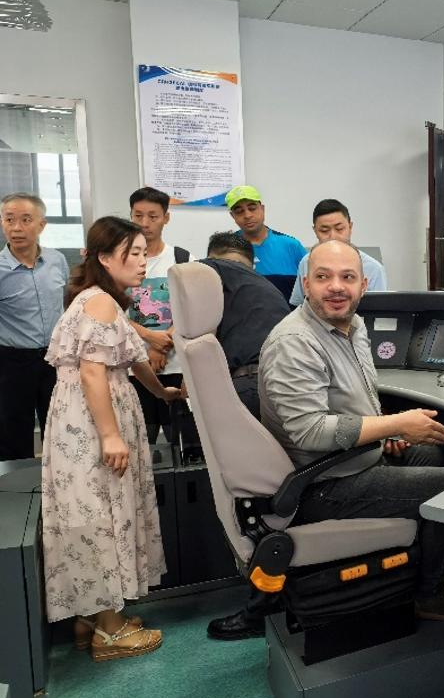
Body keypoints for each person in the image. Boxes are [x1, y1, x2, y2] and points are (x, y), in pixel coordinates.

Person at [208, 241, 444, 640]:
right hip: (320, 484)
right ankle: (431, 593)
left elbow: (357, 400)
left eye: (347, 277)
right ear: (306, 284)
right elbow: (310, 431)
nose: (336, 286)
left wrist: (384, 434)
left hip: (348, 459)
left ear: (363, 285)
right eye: (323, 277)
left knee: (430, 451)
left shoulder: (351, 327)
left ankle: (411, 568)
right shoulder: (294, 343)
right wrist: (393, 425)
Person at [41, 216, 182, 661]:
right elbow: (92, 371)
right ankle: (110, 632)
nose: (143, 261)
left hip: (87, 416)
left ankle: (93, 616)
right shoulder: (100, 302)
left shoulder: (102, 300)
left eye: (143, 252)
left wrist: (162, 392)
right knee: (102, 513)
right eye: (133, 253)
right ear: (104, 258)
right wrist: (110, 436)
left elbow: (134, 360)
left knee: (95, 511)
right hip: (92, 421)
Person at [0, 193, 68, 460]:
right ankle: (16, 484)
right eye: (9, 220)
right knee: (13, 432)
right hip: (12, 362)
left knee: (60, 427)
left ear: (42, 224)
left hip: (55, 358)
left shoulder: (56, 260)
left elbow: (66, 304)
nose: (16, 228)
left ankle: (59, 482)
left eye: (26, 220)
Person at [127, 187, 194, 444]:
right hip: (134, 369)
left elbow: (192, 309)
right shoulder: (121, 261)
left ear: (166, 218)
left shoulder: (183, 259)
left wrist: (161, 344)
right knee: (141, 442)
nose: (145, 223)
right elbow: (114, 313)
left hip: (177, 367)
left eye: (153, 216)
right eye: (138, 215)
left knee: (182, 441)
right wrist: (149, 337)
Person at [199, 232, 290, 419]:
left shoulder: (214, 267)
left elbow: (187, 272)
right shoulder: (268, 289)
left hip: (250, 383)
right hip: (289, 383)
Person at [290, 198, 387, 307]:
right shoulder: (306, 262)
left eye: (339, 229)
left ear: (350, 227)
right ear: (315, 231)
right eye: (324, 231)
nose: (333, 236)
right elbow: (298, 306)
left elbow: (379, 312)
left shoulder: (373, 269)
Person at [226, 185, 306, 300]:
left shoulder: (291, 245)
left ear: (262, 209)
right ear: (232, 216)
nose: (247, 215)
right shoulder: (227, 249)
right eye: (239, 211)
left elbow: (311, 285)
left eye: (252, 208)